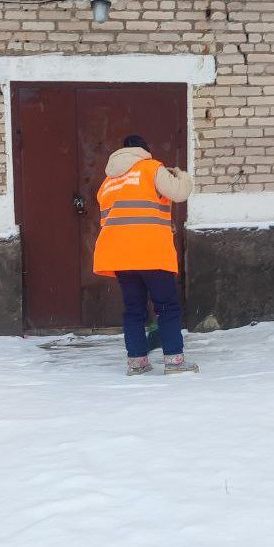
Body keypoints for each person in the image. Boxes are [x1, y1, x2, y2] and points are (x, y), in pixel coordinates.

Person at [93, 135, 199, 376]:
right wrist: (179, 174)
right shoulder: (151, 168)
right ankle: (174, 361)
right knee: (167, 306)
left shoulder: (109, 181)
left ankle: (137, 363)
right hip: (151, 252)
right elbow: (180, 193)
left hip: (120, 256)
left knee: (134, 309)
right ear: (144, 151)